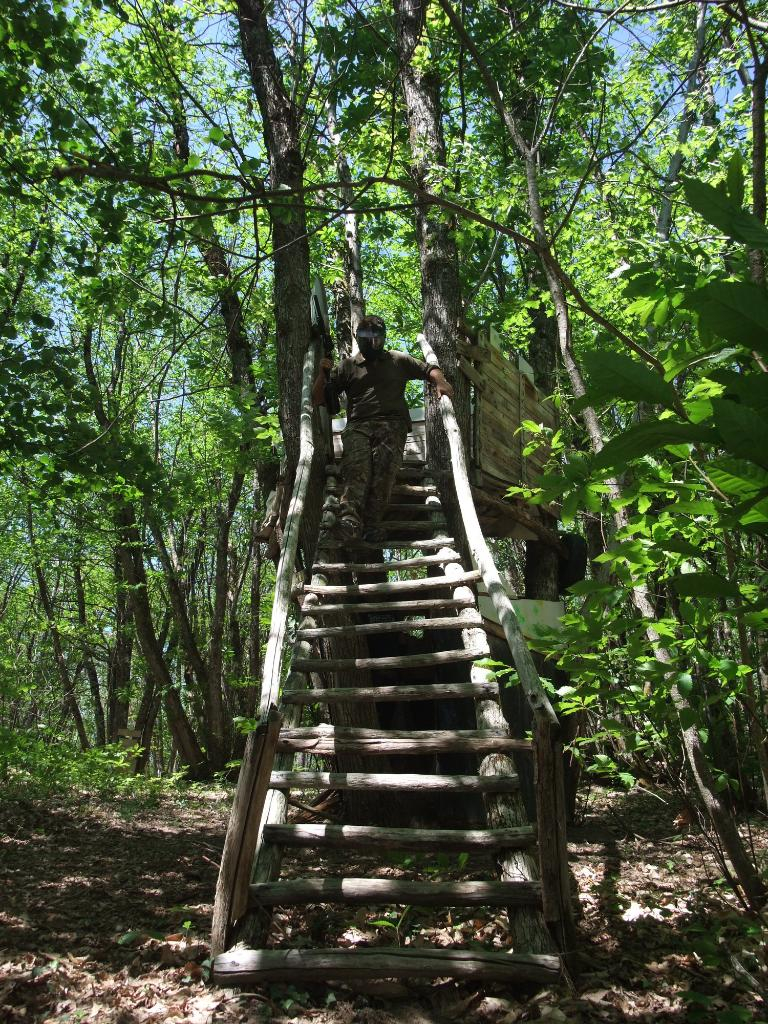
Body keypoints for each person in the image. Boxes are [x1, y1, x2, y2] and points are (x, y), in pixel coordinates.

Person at [312, 315, 454, 543]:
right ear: (359, 339)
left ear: (383, 338)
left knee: (384, 472)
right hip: (358, 426)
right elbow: (319, 398)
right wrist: (322, 372)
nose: (372, 344)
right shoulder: (348, 366)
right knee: (357, 468)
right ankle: (349, 521)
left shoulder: (397, 360)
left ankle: (373, 523)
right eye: (366, 339)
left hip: (392, 423)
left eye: (376, 339)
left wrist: (441, 382)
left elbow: (428, 369)